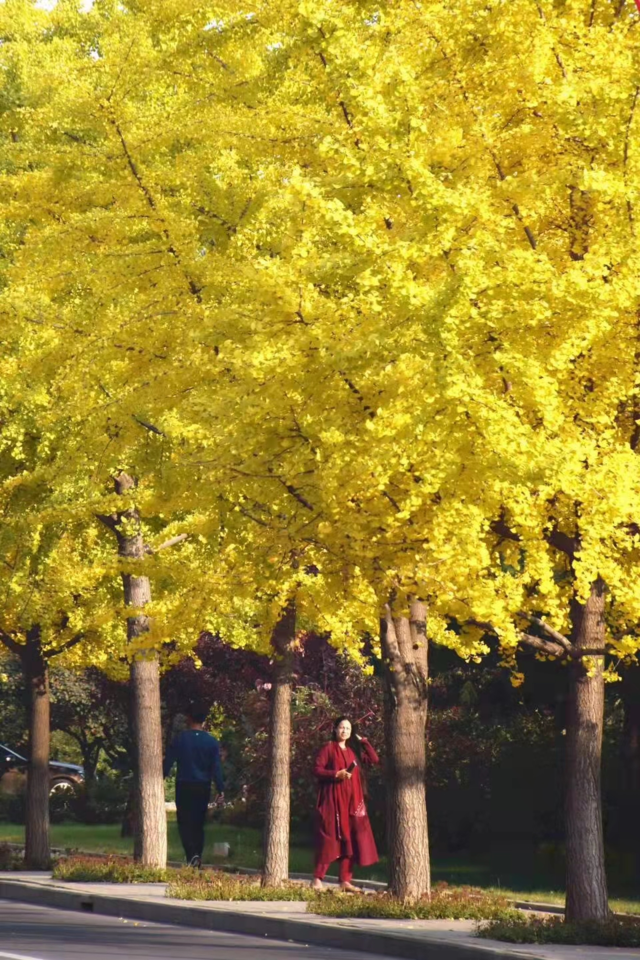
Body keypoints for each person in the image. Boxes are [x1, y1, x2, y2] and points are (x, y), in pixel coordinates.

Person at [312, 716, 379, 892]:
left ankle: (345, 881)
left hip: (351, 802)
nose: (345, 731)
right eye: (342, 727)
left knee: (350, 839)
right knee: (330, 838)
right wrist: (336, 774)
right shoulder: (328, 748)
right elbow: (317, 770)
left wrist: (364, 742)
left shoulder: (352, 753)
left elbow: (374, 759)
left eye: (348, 729)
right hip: (333, 801)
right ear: (335, 729)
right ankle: (317, 879)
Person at [163, 704, 224, 868]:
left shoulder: (181, 739)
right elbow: (216, 767)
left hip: (184, 784)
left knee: (184, 822)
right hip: (203, 785)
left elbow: (169, 761)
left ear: (189, 718)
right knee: (198, 822)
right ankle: (198, 854)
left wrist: (160, 777)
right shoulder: (211, 742)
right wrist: (221, 788)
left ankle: (191, 854)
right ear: (204, 720)